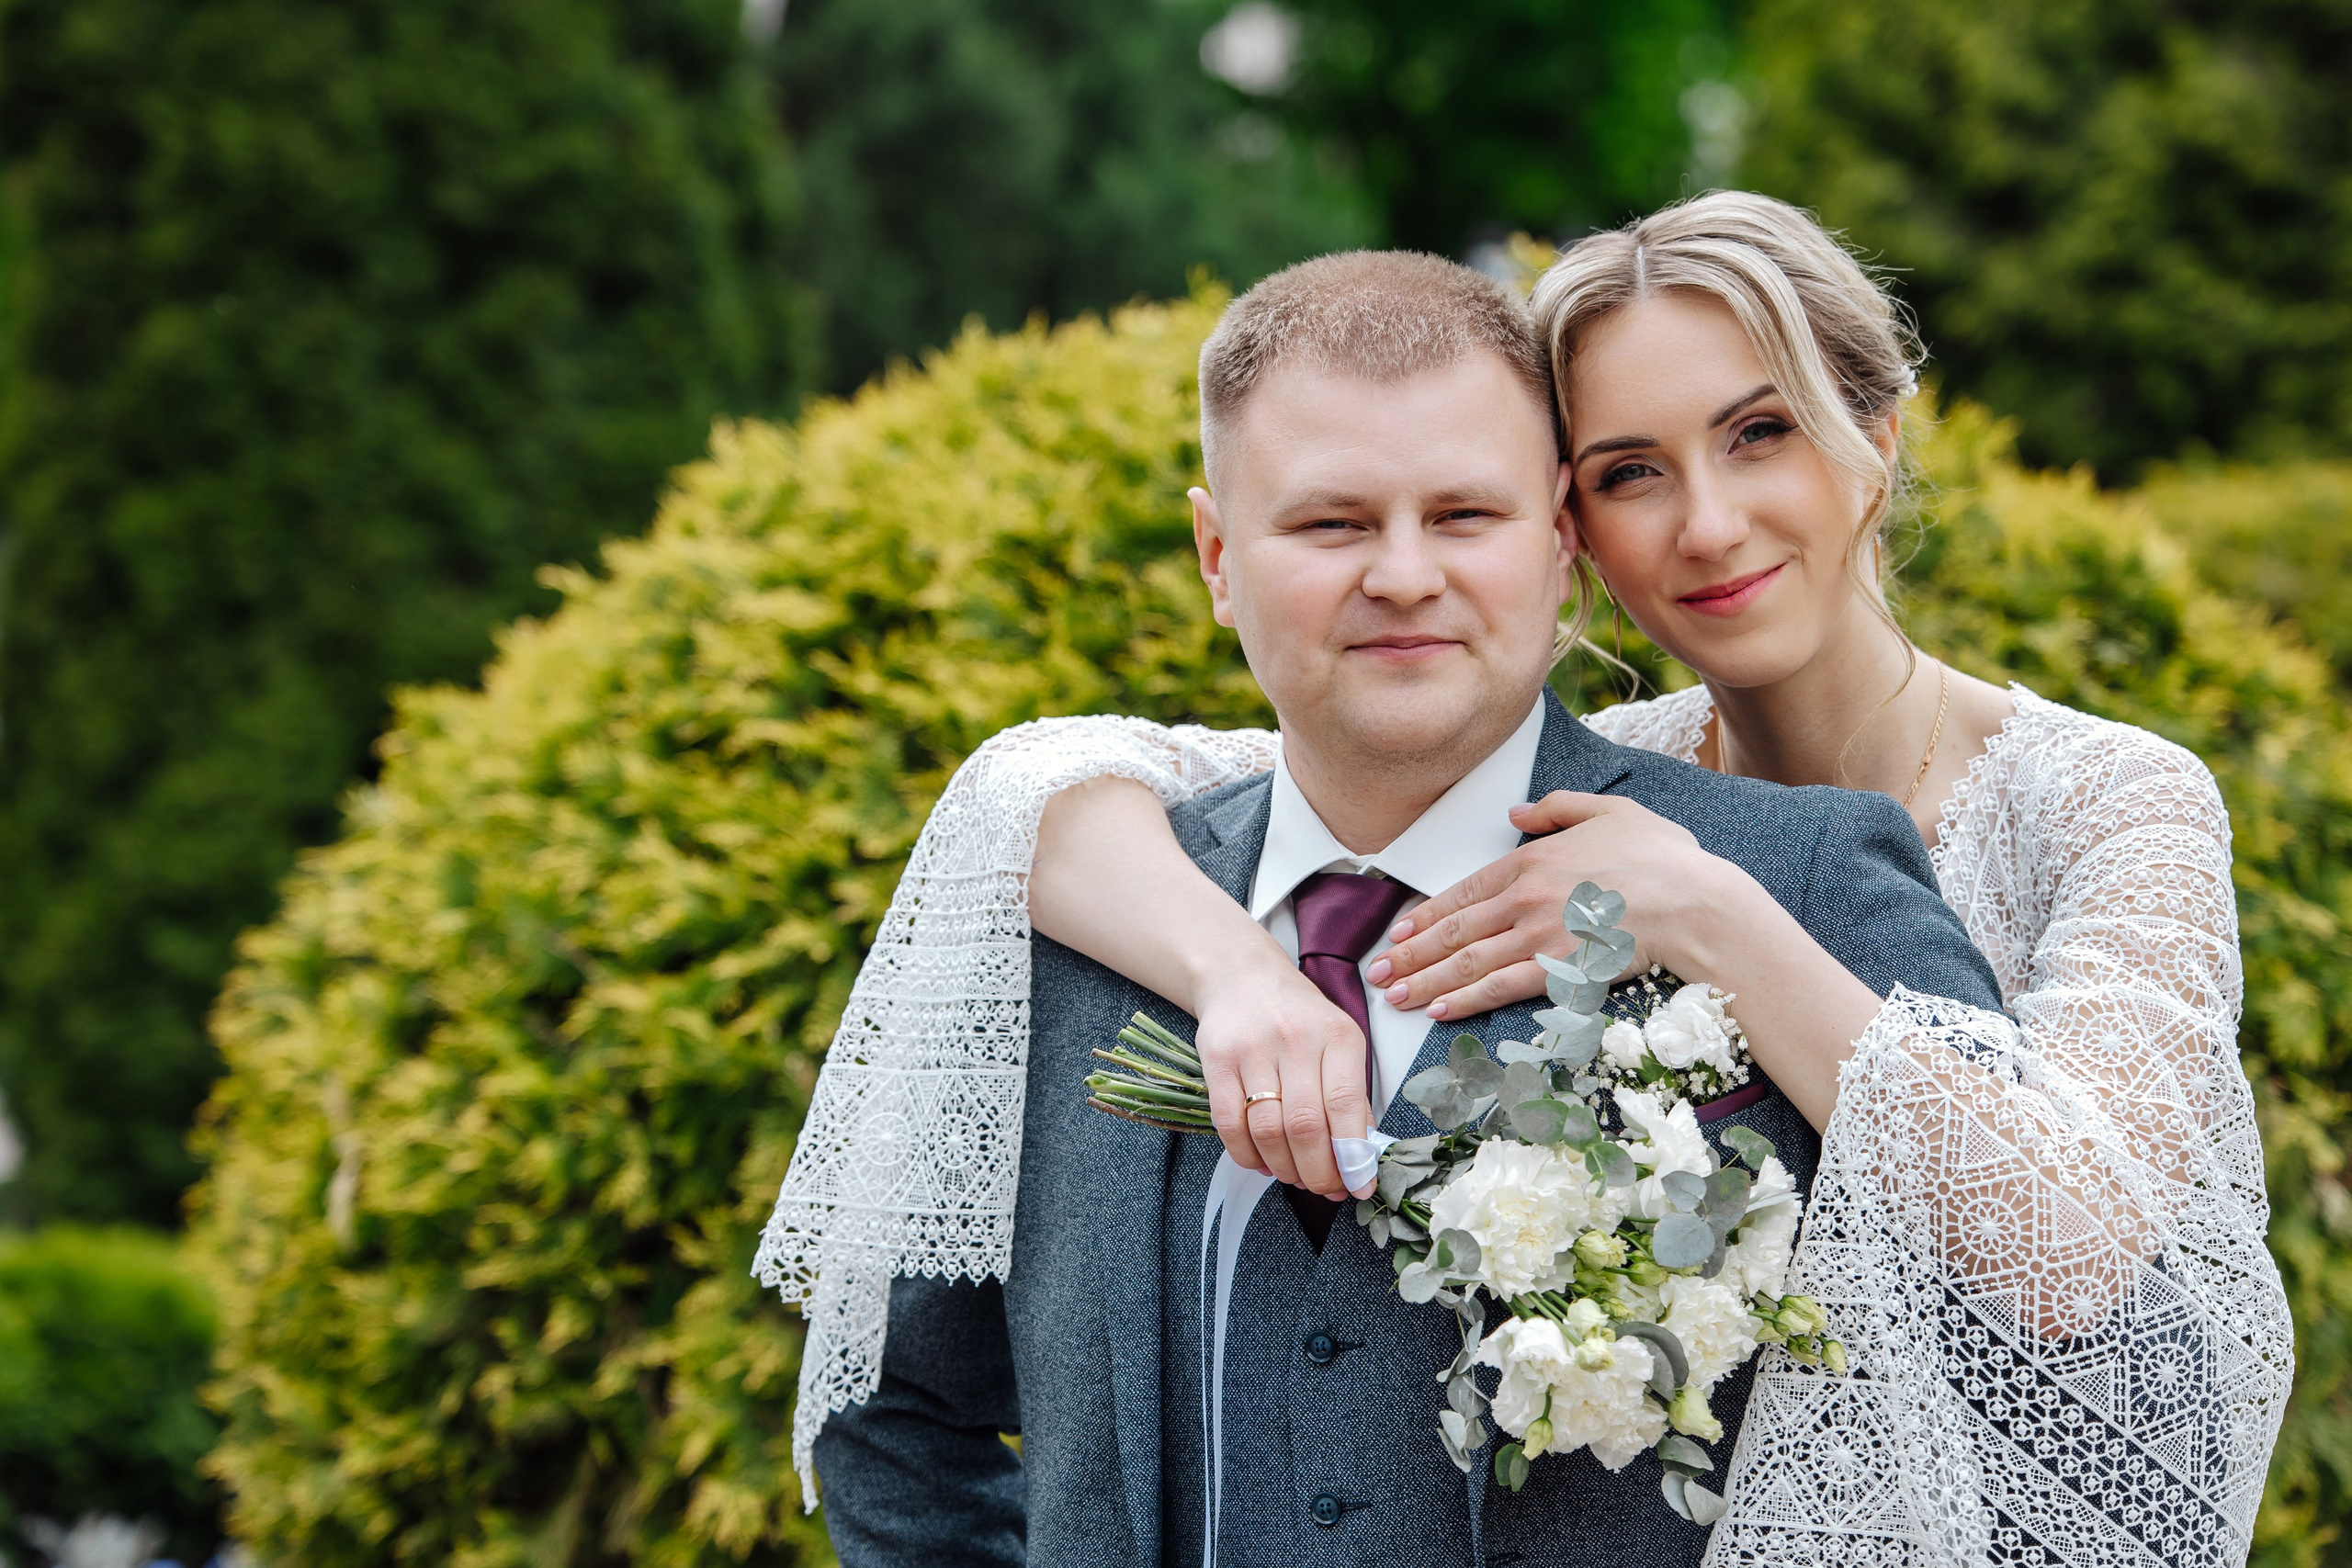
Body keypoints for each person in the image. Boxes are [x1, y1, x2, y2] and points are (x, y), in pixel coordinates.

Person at [762, 193, 2291, 1564]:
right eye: (1634, 469)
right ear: (1584, 522)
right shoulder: (1298, 815)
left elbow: (2071, 1286)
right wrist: (1232, 967)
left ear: (1876, 439)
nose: (1704, 522)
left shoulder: (2055, 811)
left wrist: (1707, 913)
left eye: (1760, 431)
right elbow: (1075, 791)